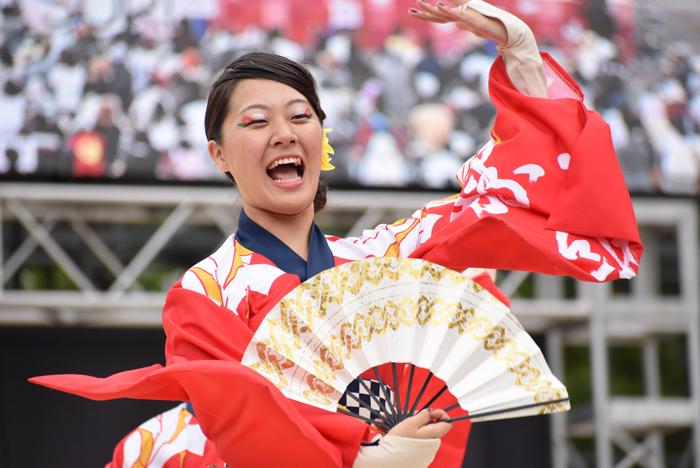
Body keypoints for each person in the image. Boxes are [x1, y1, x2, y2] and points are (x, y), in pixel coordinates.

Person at [31, 1, 642, 467]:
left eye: (301, 117)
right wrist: (371, 457)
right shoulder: (205, 295)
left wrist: (524, 54)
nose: (283, 132)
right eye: (255, 121)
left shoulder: (385, 262)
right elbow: (245, 420)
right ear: (218, 154)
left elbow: (511, 201)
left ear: (320, 143)